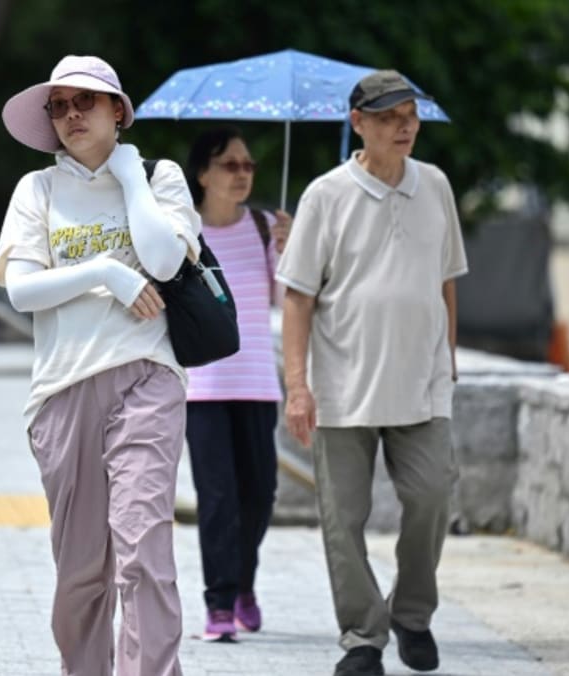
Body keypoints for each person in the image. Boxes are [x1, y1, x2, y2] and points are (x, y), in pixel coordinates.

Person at [0, 55, 201, 676]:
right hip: (62, 390)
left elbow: (164, 263)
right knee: (82, 570)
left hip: (147, 375)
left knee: (143, 551)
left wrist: (131, 177)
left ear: (119, 110)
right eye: (59, 105)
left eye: (85, 101)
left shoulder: (161, 179)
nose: (71, 114)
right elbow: (23, 290)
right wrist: (107, 273)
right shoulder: (39, 189)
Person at [276, 70, 467, 676]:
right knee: (343, 518)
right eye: (388, 116)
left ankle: (412, 613)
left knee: (432, 495)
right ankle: (363, 637)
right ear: (358, 123)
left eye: (410, 114)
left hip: (423, 385)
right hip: (342, 389)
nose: (405, 125)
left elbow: (446, 283)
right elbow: (298, 298)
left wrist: (450, 356)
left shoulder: (435, 185)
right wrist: (298, 387)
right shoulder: (325, 196)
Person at [181, 127, 291, 642]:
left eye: (248, 165)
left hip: (257, 385)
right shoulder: (183, 232)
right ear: (203, 174)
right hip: (203, 388)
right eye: (230, 164)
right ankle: (220, 603)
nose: (243, 173)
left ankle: (244, 583)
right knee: (218, 497)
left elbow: (287, 300)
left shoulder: (267, 227)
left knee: (260, 494)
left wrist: (291, 252)